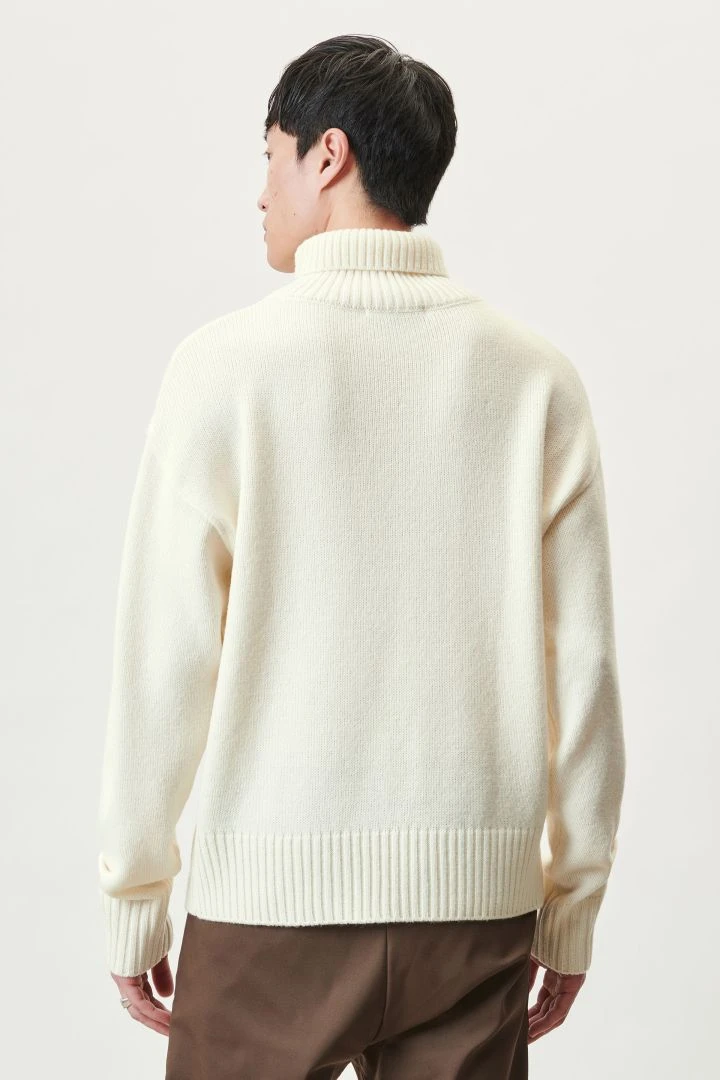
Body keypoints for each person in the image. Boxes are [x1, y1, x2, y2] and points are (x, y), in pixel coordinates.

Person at [96, 33, 626, 1079]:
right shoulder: (536, 381)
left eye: (270, 156)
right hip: (475, 915)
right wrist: (571, 910)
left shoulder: (223, 371)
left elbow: (164, 660)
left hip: (268, 910)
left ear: (328, 154)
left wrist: (135, 894)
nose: (260, 191)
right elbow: (586, 671)